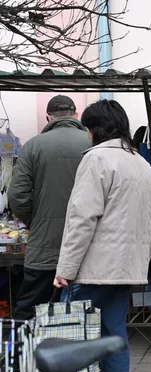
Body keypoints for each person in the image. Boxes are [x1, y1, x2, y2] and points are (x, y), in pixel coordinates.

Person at [54, 100, 151, 372]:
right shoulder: (142, 164)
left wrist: (65, 269)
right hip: (125, 272)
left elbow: (82, 219)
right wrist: (137, 262)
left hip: (92, 271)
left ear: (94, 129)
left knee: (76, 342)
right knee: (115, 339)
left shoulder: (96, 159)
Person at [8, 95, 91, 321]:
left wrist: (36, 222)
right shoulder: (92, 142)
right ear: (76, 114)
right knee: (84, 312)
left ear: (48, 116)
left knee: (31, 309)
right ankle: (78, 354)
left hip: (44, 246)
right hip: (87, 246)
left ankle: (25, 354)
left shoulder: (33, 145)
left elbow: (17, 196)